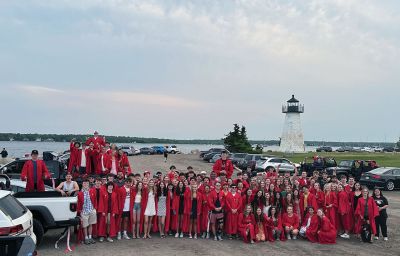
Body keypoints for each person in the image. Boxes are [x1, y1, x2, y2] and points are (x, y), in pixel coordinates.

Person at [77, 179, 97, 245]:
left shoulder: (92, 191)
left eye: (87, 183)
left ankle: (90, 237)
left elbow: (95, 200)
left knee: (91, 224)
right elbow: (79, 203)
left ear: (89, 184)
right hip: (84, 211)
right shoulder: (80, 193)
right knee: (85, 225)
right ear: (82, 184)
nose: (86, 185)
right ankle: (86, 238)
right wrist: (80, 211)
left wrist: (95, 208)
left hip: (91, 209)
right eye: (84, 183)